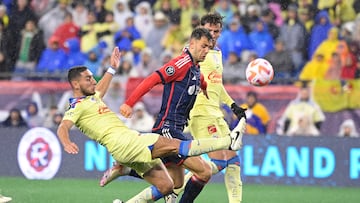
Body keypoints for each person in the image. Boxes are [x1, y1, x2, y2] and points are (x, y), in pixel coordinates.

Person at [57, 46, 245, 203]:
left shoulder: (93, 98)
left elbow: (99, 89)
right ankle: (229, 141)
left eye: (92, 77)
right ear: (75, 85)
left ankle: (126, 171)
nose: (93, 81)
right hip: (129, 142)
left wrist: (112, 69)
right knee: (176, 146)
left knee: (168, 186)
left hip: (123, 149)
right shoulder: (76, 107)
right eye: (88, 78)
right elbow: (63, 126)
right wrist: (66, 142)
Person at [172, 13, 247, 203]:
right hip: (200, 113)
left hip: (216, 113)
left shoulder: (218, 53)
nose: (212, 34)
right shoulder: (192, 53)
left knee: (233, 161)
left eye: (216, 31)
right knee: (218, 162)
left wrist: (232, 105)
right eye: (209, 30)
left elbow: (216, 85)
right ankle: (172, 188)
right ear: (200, 29)